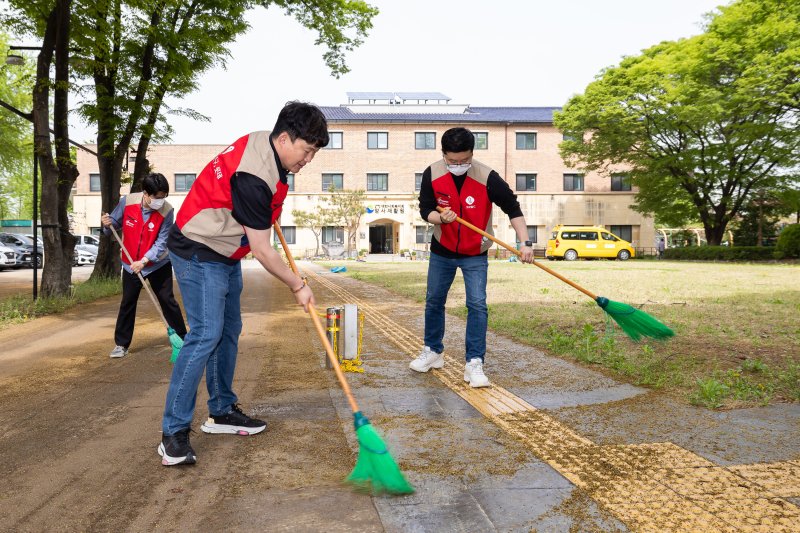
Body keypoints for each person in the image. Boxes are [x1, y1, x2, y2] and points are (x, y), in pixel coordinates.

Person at [158, 101, 327, 466]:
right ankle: (172, 432)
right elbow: (265, 252)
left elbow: (259, 217)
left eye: (313, 153)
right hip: (198, 248)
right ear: (285, 138)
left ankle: (220, 411)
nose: (308, 160)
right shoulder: (254, 175)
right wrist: (297, 284)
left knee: (228, 330)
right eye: (306, 150)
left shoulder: (265, 146)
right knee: (205, 334)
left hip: (225, 250)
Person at [411, 127, 535, 388]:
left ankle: (474, 363)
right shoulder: (432, 173)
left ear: (472, 154)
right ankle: (433, 352)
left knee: (477, 305)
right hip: (441, 250)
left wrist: (525, 243)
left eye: (464, 160)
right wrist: (439, 217)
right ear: (443, 154)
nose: (458, 165)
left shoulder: (487, 177)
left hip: (475, 253)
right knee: (434, 301)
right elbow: (425, 209)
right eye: (452, 161)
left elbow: (513, 208)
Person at [101, 173, 187, 359]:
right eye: (157, 197)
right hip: (130, 262)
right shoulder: (128, 202)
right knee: (128, 302)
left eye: (164, 197)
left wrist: (145, 261)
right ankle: (121, 344)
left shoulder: (167, 211)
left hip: (158, 263)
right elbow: (113, 224)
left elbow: (163, 241)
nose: (161, 201)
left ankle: (183, 339)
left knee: (167, 300)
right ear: (146, 194)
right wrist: (107, 224)